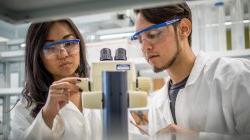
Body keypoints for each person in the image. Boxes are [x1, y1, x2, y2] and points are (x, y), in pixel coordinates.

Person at [131, 1, 250, 139]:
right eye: (140, 40)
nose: (145, 47)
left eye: (152, 35)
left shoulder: (236, 76)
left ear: (184, 28)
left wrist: (194, 137)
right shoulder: (157, 103)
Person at [10, 19, 102, 140]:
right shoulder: (25, 108)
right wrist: (47, 115)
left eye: (69, 43)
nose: (63, 54)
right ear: (38, 56)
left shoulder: (102, 90)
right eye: (50, 47)